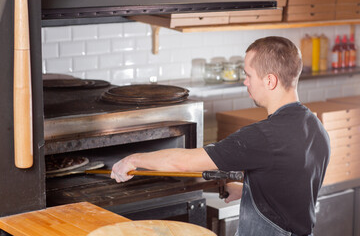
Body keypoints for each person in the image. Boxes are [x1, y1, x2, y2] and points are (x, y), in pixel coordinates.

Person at [111, 36, 330, 236]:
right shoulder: (315, 127)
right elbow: (288, 184)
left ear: (270, 81)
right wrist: (245, 190)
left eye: (248, 75)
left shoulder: (262, 137)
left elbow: (183, 163)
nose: (246, 82)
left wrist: (133, 159)